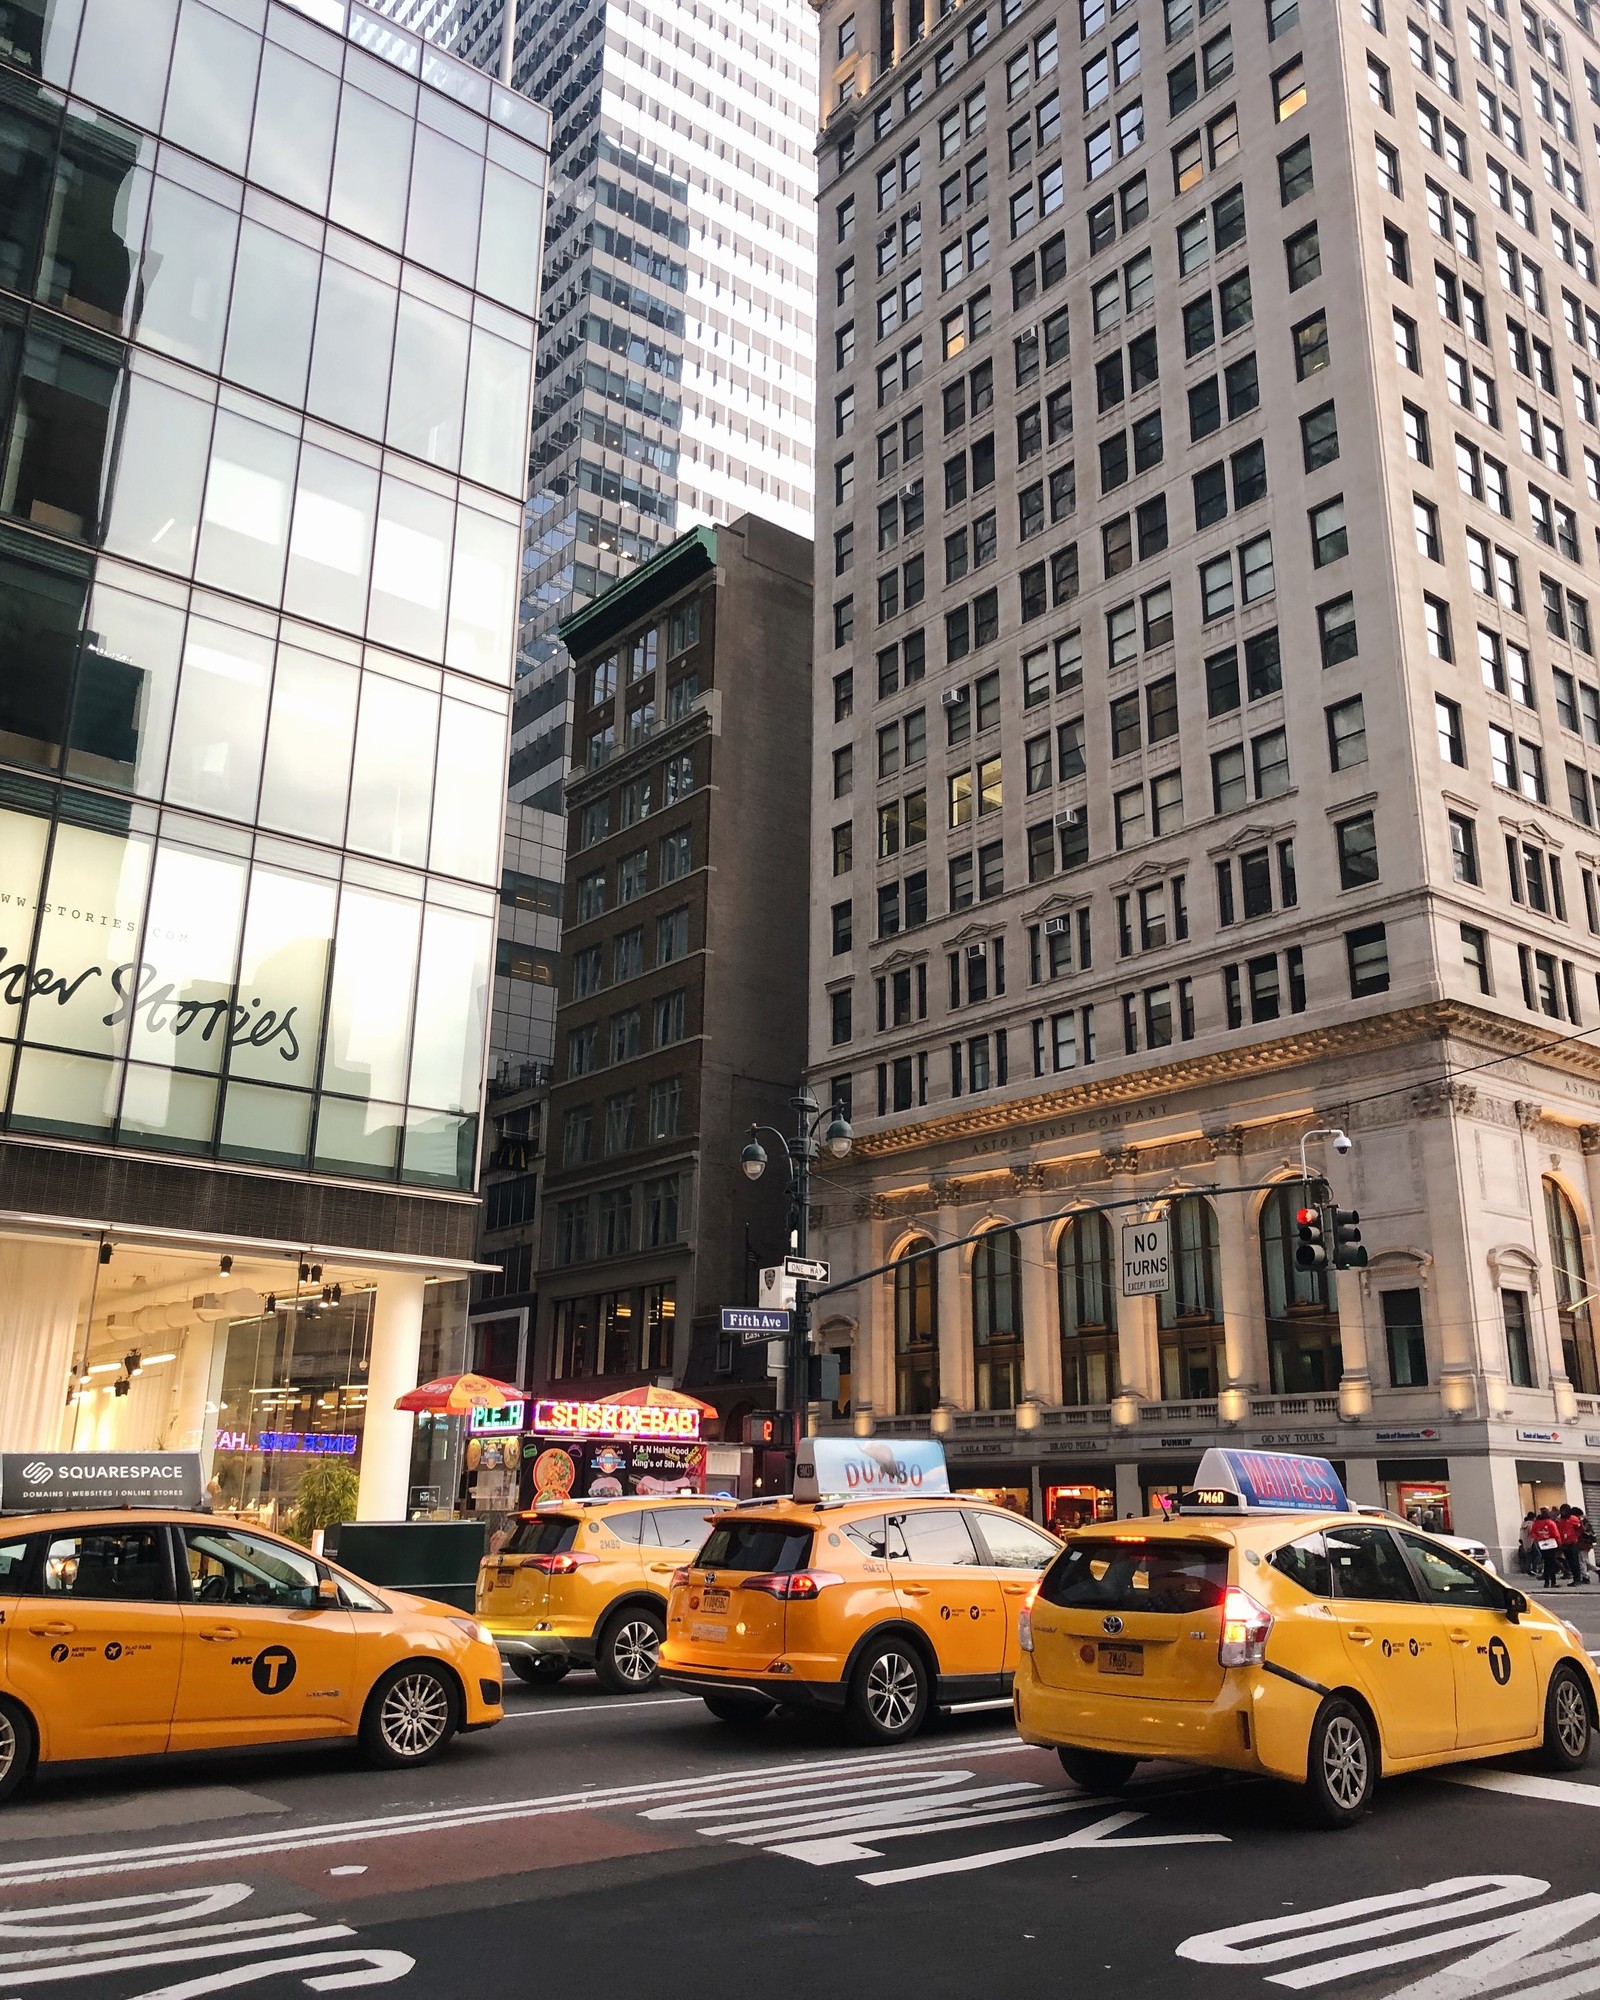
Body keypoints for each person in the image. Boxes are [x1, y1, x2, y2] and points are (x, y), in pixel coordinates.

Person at [1530, 1508, 1563, 1589]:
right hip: (1551, 1544)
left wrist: (1539, 1538)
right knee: (1551, 1563)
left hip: (1542, 1544)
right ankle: (1553, 1582)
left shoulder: (1536, 1523)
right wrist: (1559, 1544)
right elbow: (1556, 1534)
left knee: (1547, 1563)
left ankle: (1547, 1582)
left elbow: (1532, 1533)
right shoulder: (1550, 1523)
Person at [1558, 1504, 1584, 1587]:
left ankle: (1577, 1579)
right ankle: (1575, 1578)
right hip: (1564, 1543)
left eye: (1565, 1510)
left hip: (1572, 1543)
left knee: (1574, 1562)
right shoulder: (1560, 1520)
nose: (1563, 1512)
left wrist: (1576, 1536)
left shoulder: (1573, 1519)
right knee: (1569, 1562)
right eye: (1562, 1510)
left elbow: (1581, 1529)